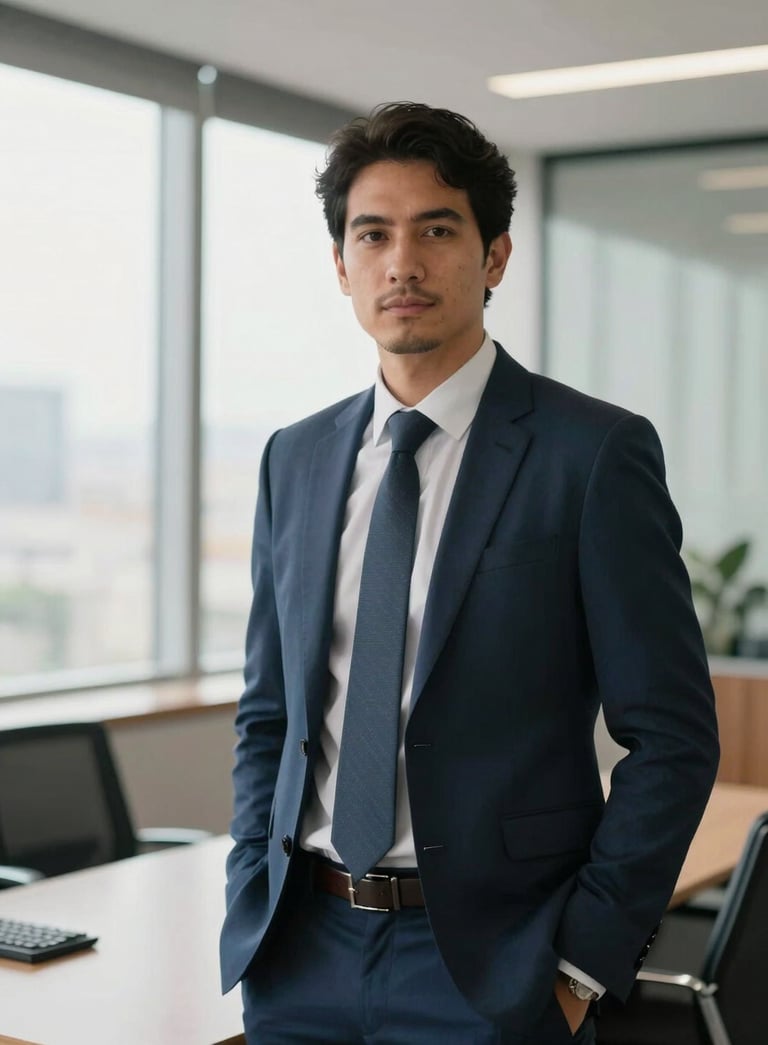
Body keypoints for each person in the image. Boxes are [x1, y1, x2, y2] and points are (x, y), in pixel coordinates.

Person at [219, 102, 719, 1044]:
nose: (402, 262)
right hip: (299, 952)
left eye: (437, 229)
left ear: (494, 257)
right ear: (341, 265)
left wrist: (579, 965)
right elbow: (270, 710)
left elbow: (675, 738)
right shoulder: (295, 459)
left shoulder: (591, 454)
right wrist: (253, 877)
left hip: (492, 968)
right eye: (373, 234)